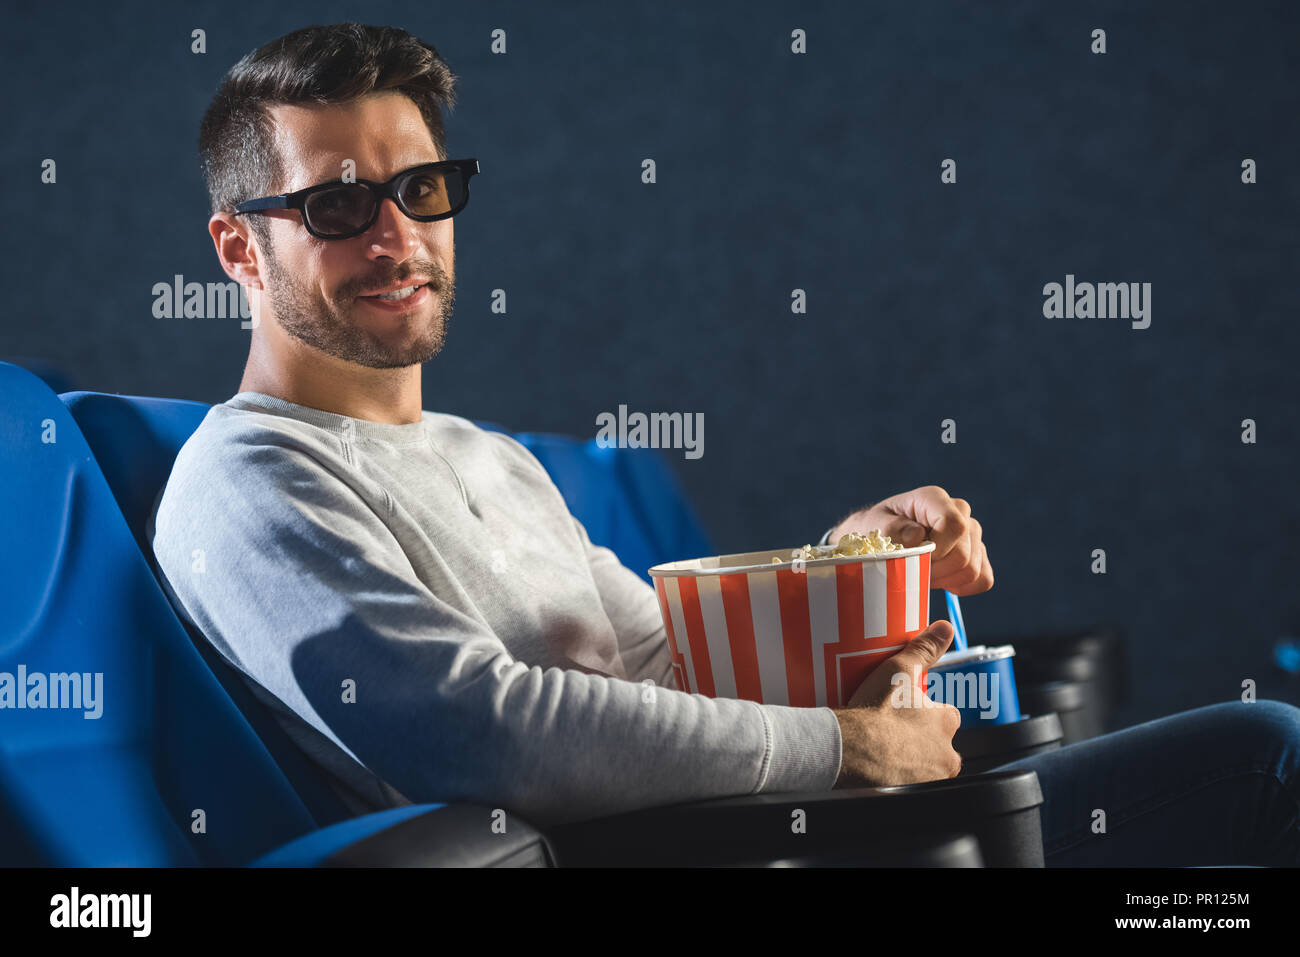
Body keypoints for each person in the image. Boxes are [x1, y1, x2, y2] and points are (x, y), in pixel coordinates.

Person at [151, 22, 1300, 864]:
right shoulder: (248, 476)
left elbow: (673, 665)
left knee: (1260, 752)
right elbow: (483, 737)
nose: (398, 235)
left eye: (423, 188)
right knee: (1263, 757)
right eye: (340, 205)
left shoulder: (483, 454)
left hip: (774, 827)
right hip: (700, 853)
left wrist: (845, 564)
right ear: (239, 251)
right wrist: (848, 749)